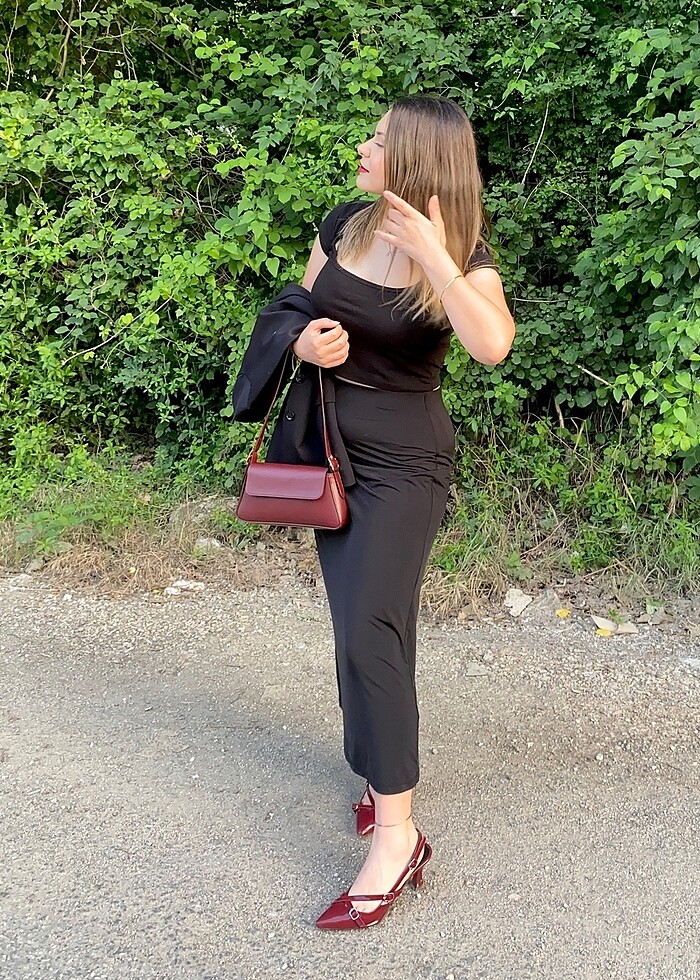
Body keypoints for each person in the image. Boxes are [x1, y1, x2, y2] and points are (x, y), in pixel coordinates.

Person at [290, 95, 515, 930]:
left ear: (417, 158)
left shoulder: (462, 252)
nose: (363, 145)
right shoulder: (344, 225)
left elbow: (492, 343)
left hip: (405, 464)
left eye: (379, 140)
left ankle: (398, 839)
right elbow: (293, 307)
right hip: (332, 456)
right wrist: (304, 342)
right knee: (364, 624)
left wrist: (434, 256)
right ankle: (378, 776)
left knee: (367, 631)